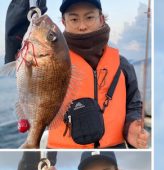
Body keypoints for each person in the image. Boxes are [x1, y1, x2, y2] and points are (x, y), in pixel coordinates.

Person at [5, 0, 149, 149]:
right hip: (61, 150)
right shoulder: (34, 54)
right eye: (74, 19)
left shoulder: (122, 64)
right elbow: (17, 32)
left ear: (101, 19)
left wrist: (131, 127)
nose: (82, 26)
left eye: (89, 17)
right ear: (64, 22)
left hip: (115, 148)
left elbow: (134, 104)